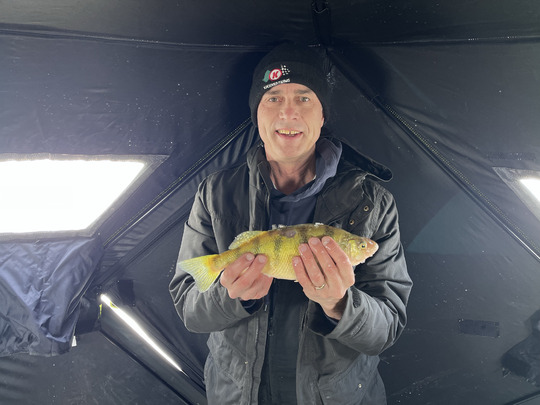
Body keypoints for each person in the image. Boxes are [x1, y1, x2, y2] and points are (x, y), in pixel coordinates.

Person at [170, 43, 412, 404]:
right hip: (236, 395)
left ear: (322, 115)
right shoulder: (214, 193)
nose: (288, 112)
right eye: (273, 98)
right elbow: (190, 310)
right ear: (257, 114)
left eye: (304, 98)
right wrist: (232, 297)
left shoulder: (374, 203)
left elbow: (386, 329)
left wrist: (339, 304)